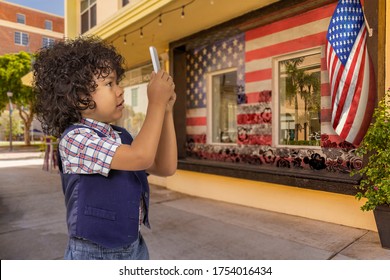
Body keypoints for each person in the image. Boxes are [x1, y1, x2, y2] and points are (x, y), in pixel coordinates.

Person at [33, 36, 177, 260]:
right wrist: (155, 103)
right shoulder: (75, 139)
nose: (120, 90)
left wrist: (166, 111)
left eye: (117, 82)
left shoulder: (122, 136)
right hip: (93, 253)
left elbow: (165, 166)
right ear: (79, 97)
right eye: (109, 84)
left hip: (134, 246)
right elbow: (140, 157)